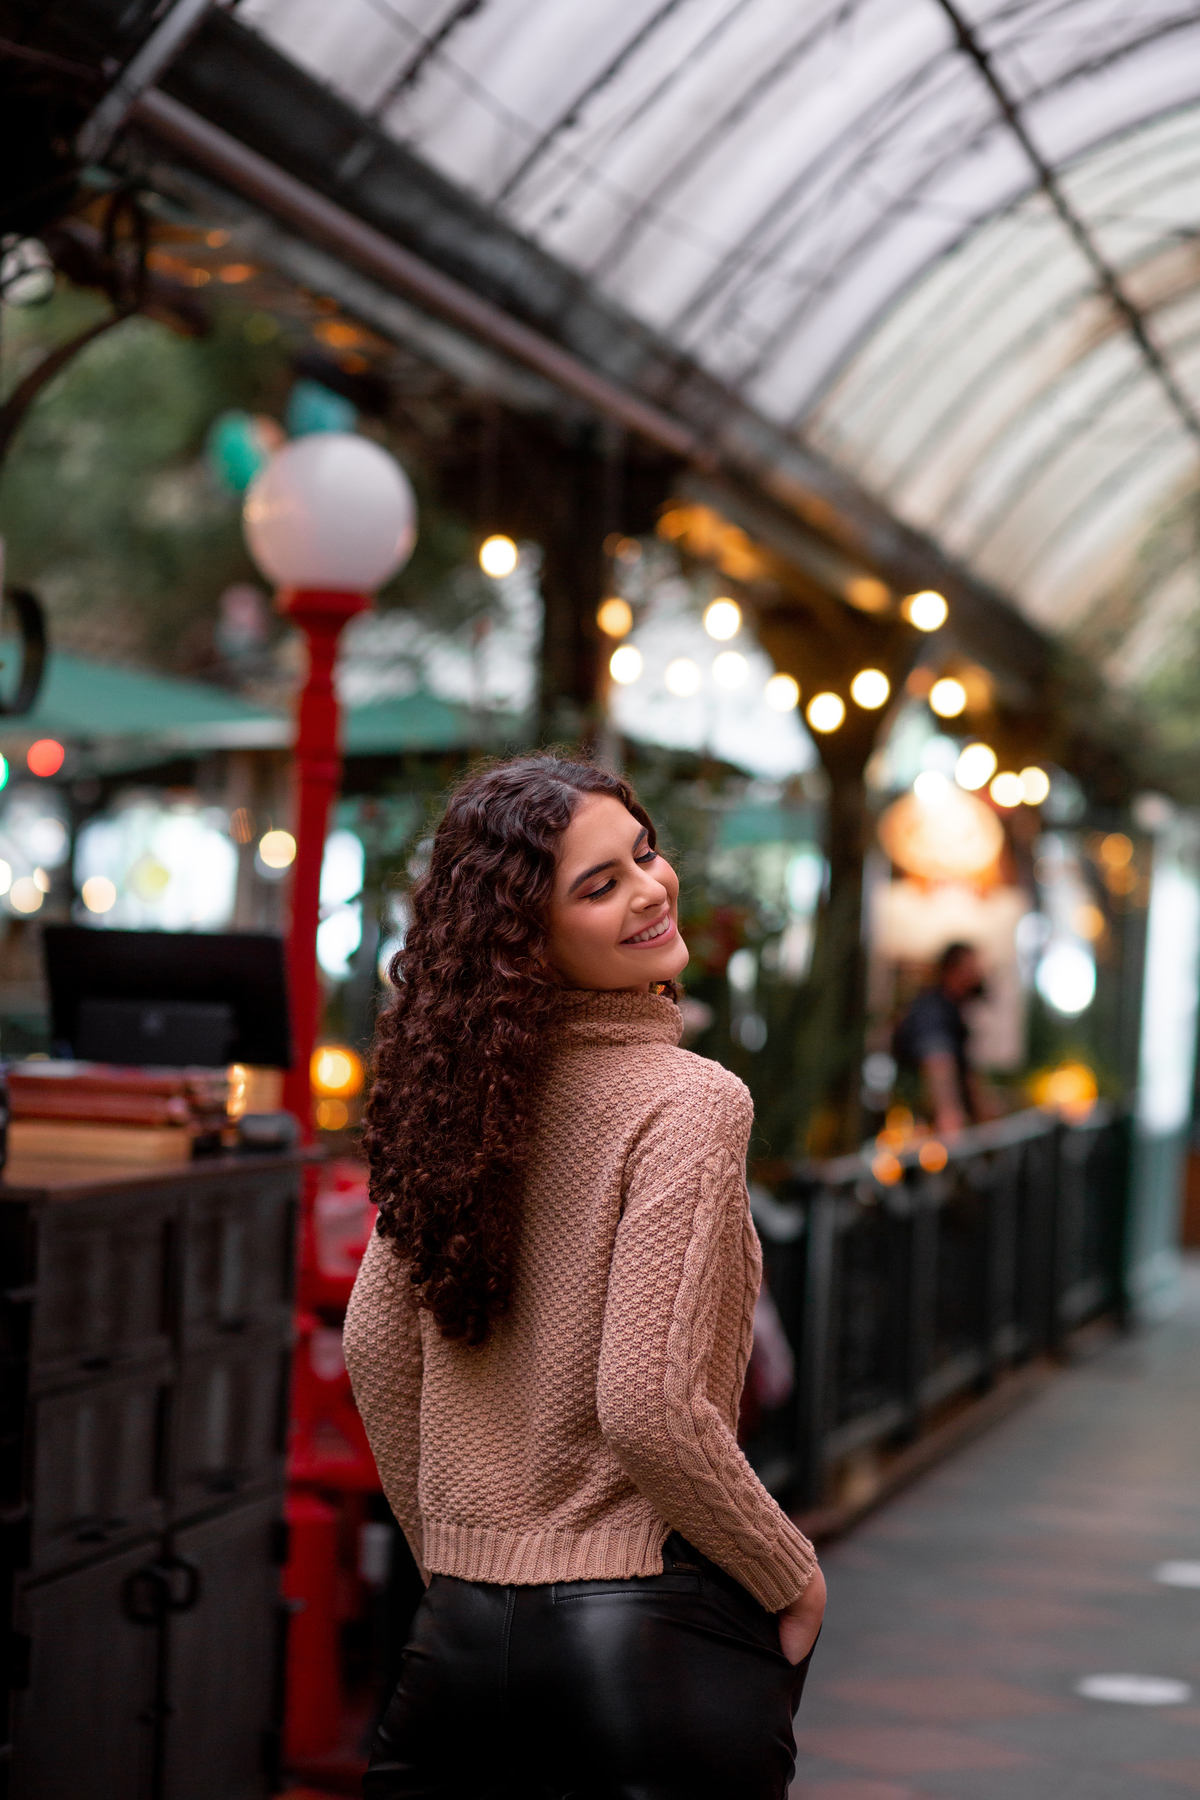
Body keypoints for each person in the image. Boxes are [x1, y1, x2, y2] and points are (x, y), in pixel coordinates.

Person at [344, 754, 825, 1800]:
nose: (651, 889)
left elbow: (374, 1350)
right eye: (599, 885)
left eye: (643, 853)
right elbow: (650, 1404)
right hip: (645, 1644)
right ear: (529, 939)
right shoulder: (690, 1101)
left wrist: (463, 1560)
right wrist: (790, 1569)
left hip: (459, 1646)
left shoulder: (455, 1100)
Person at [893, 940, 988, 1135]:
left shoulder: (952, 1011)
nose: (979, 973)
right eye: (973, 967)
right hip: (921, 1130)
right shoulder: (934, 1010)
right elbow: (938, 1062)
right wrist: (949, 1113)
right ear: (954, 970)